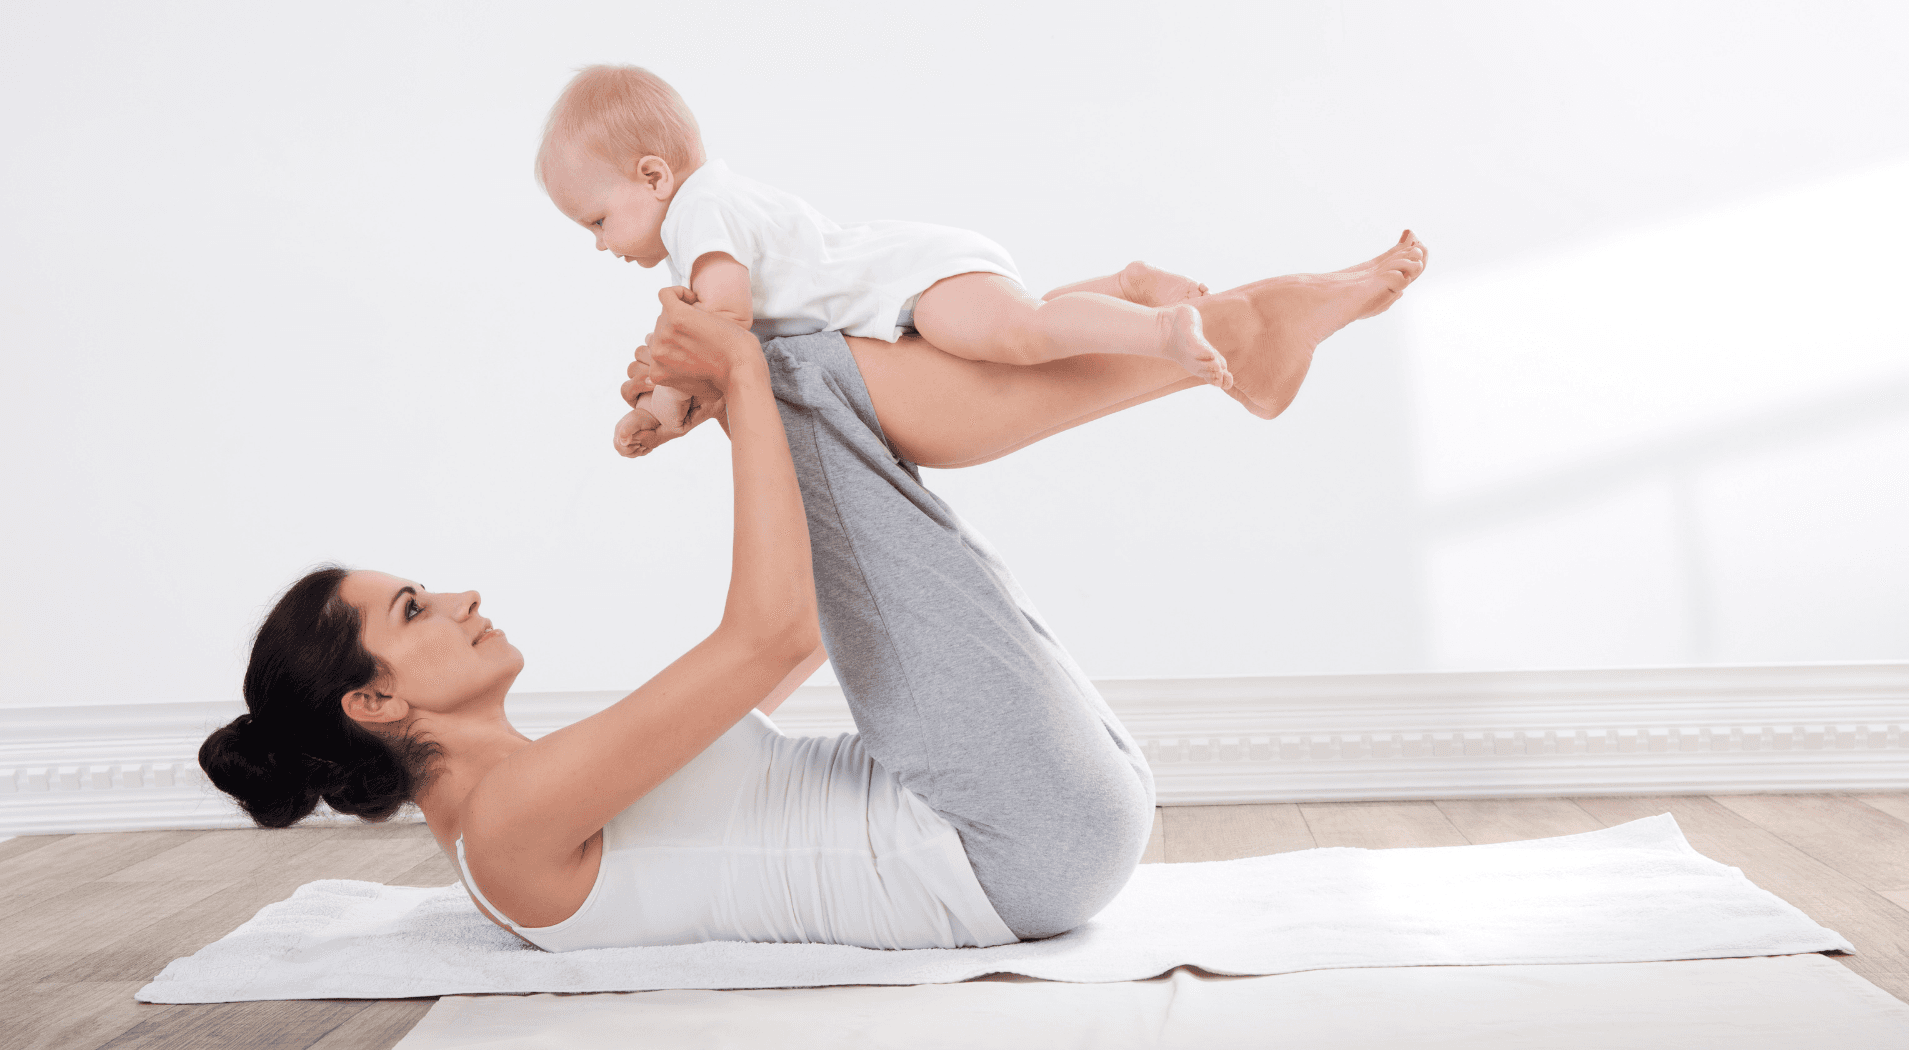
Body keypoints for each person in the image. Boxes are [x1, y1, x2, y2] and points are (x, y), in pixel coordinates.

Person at [200, 220, 1425, 954]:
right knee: (787, 362)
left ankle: (1201, 338)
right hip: (1011, 839)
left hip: (1027, 813)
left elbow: (789, 654)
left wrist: (755, 412)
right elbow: (777, 623)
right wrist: (739, 380)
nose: (459, 598)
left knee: (794, 380)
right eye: (413, 611)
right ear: (369, 702)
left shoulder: (538, 785)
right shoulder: (507, 830)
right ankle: (1205, 338)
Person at [536, 64, 1423, 443]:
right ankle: (1127, 285)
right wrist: (664, 406)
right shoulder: (705, 209)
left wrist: (673, 357)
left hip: (909, 283)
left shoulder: (699, 218)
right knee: (1020, 333)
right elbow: (734, 345)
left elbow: (724, 317)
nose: (599, 244)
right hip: (910, 284)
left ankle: (1158, 327)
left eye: (596, 221)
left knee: (1025, 336)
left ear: (653, 175)